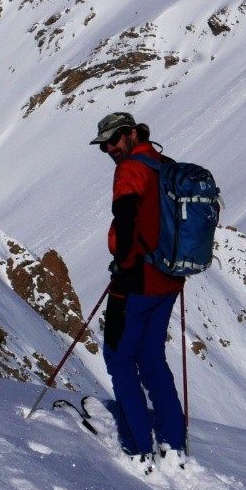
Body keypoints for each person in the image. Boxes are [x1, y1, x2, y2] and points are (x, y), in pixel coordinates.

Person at [89, 111, 186, 459]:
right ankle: (174, 444)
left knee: (118, 358)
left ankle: (137, 446)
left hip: (139, 279)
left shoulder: (130, 168)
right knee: (151, 359)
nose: (111, 149)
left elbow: (126, 217)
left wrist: (124, 268)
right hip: (170, 279)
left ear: (132, 133)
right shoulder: (164, 163)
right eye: (105, 146)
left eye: (114, 140)